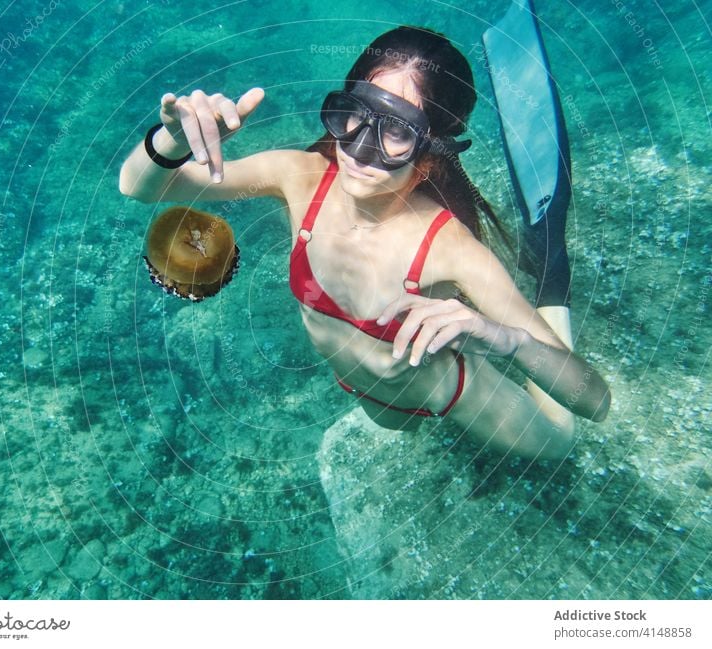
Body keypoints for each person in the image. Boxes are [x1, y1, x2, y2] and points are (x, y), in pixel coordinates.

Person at [119, 26, 611, 460]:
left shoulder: (451, 250)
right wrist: (172, 141)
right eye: (357, 113)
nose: (359, 148)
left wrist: (507, 339)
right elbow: (140, 188)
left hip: (448, 390)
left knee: (559, 441)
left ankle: (551, 272)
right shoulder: (302, 179)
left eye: (397, 130)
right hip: (372, 395)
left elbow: (594, 402)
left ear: (433, 153)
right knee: (398, 426)